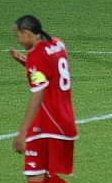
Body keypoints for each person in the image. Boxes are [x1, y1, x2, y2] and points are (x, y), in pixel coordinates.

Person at [9, 15, 78, 183]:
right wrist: (28, 65)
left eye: (18, 36)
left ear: (27, 33)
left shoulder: (37, 55)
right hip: (65, 121)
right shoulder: (58, 44)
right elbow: (52, 71)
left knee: (35, 178)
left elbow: (38, 94)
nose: (18, 41)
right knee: (45, 177)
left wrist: (23, 132)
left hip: (47, 125)